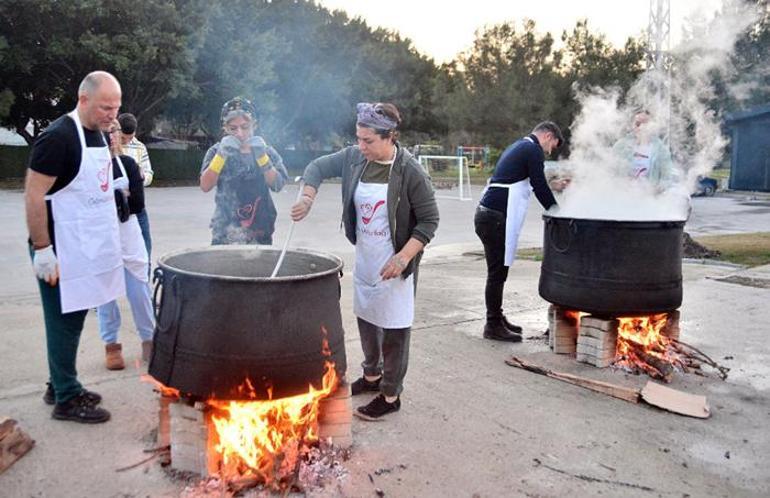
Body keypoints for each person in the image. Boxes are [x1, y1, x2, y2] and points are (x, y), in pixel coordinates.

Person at [290, 102, 439, 420]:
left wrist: (402, 258)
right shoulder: (355, 159)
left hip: (396, 259)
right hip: (368, 254)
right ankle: (372, 377)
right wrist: (307, 197)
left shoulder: (410, 171)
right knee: (368, 317)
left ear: (390, 137)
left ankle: (390, 394)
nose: (361, 146)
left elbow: (429, 221)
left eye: (368, 140)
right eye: (358, 138)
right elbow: (316, 167)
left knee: (395, 327)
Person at [24, 71, 124, 424]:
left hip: (84, 245)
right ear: (83, 100)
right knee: (63, 320)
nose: (112, 114)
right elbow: (34, 195)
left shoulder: (96, 133)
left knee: (76, 313)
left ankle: (58, 382)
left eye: (116, 107)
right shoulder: (58, 137)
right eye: (104, 107)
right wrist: (42, 249)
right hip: (58, 247)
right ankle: (66, 399)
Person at [474, 121, 563, 342]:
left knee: (499, 272)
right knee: (496, 273)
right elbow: (539, 184)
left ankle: (497, 317)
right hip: (494, 217)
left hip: (489, 215)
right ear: (548, 136)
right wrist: (557, 212)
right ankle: (492, 324)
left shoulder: (520, 146)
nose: (549, 150)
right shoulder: (532, 149)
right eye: (553, 145)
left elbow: (533, 182)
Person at [96, 124, 155, 371]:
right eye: (105, 131)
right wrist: (122, 197)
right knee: (105, 294)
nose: (111, 136)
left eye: (115, 130)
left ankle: (150, 342)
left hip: (128, 233)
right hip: (101, 237)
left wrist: (111, 199)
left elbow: (138, 203)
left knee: (139, 291)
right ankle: (111, 346)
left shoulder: (129, 164)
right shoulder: (88, 169)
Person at [200, 97, 288, 245]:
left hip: (260, 227)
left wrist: (262, 158)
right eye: (233, 128)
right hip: (225, 228)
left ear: (254, 125)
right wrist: (221, 156)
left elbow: (277, 185)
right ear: (225, 128)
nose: (239, 133)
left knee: (259, 267)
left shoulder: (266, 150)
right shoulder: (216, 151)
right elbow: (205, 185)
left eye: (245, 127)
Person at [117, 113, 153, 261]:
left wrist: (140, 178)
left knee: (145, 246)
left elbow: (149, 173)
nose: (126, 141)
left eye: (130, 138)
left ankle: (145, 278)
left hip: (137, 204)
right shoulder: (110, 145)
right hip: (116, 206)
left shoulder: (140, 147)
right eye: (123, 138)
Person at [611, 110, 673, 187]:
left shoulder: (661, 150)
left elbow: (667, 177)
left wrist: (656, 191)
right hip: (623, 194)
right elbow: (610, 172)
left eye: (645, 124)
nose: (641, 127)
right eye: (637, 124)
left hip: (650, 196)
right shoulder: (620, 146)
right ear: (632, 125)